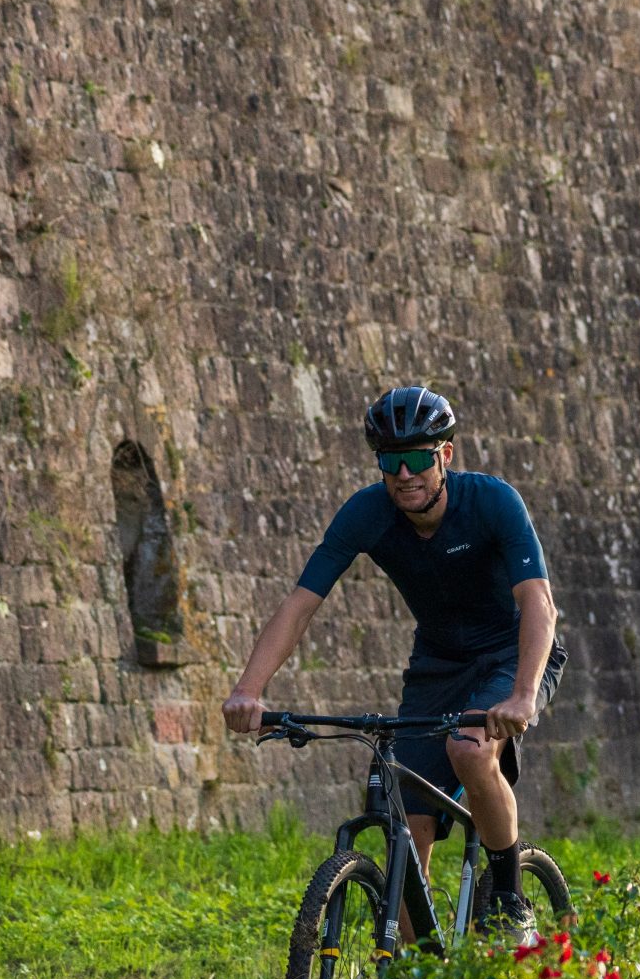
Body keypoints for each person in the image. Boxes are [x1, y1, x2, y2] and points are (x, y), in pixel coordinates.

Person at [224, 386, 563, 938]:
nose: (404, 474)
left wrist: (522, 695)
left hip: (513, 651)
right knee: (404, 821)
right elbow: (300, 605)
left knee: (471, 749)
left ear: (445, 455)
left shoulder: (492, 502)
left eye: (417, 458)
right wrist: (249, 689)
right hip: (437, 665)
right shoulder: (367, 514)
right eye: (390, 461)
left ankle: (507, 896)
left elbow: (538, 604)